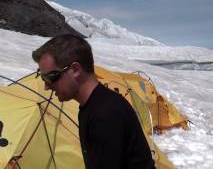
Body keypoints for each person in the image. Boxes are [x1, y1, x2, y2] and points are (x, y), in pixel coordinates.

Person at [32, 34, 155, 169]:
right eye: (43, 78)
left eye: (50, 77)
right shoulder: (94, 105)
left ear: (75, 70)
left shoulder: (105, 114)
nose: (46, 86)